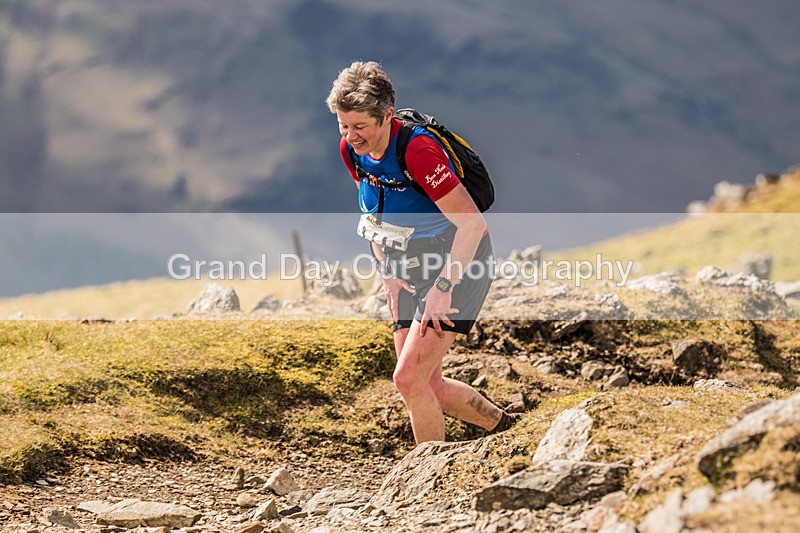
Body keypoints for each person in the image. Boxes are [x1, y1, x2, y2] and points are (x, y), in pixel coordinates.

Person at [326, 61, 516, 445]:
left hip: (457, 265)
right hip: (405, 267)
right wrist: (387, 272)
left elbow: (473, 225)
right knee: (426, 383)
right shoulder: (352, 150)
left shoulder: (419, 152)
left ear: (387, 116)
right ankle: (507, 429)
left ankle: (426, 478)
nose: (351, 136)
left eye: (360, 126)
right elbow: (373, 209)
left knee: (407, 378)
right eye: (344, 125)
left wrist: (443, 286)